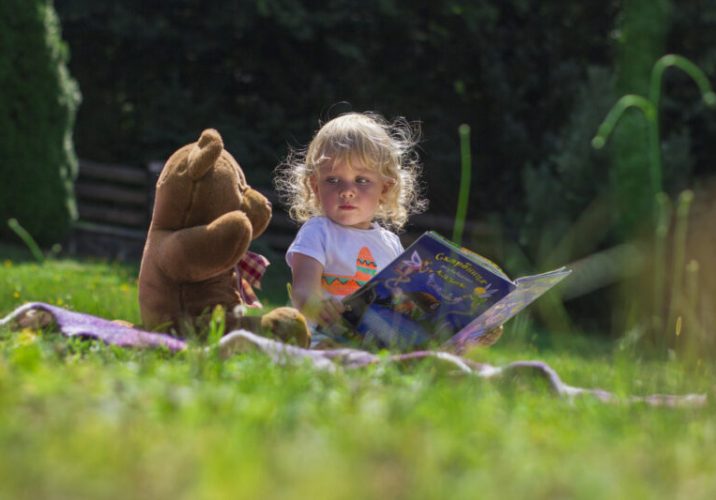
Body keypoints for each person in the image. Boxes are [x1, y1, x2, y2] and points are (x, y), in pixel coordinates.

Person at [275, 111, 427, 347]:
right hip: (323, 335)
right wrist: (317, 306)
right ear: (315, 187)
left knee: (431, 358)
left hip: (377, 342)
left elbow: (404, 306)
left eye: (362, 180)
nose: (347, 190)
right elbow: (302, 290)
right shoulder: (318, 231)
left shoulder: (391, 243)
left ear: (385, 189)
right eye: (333, 180)